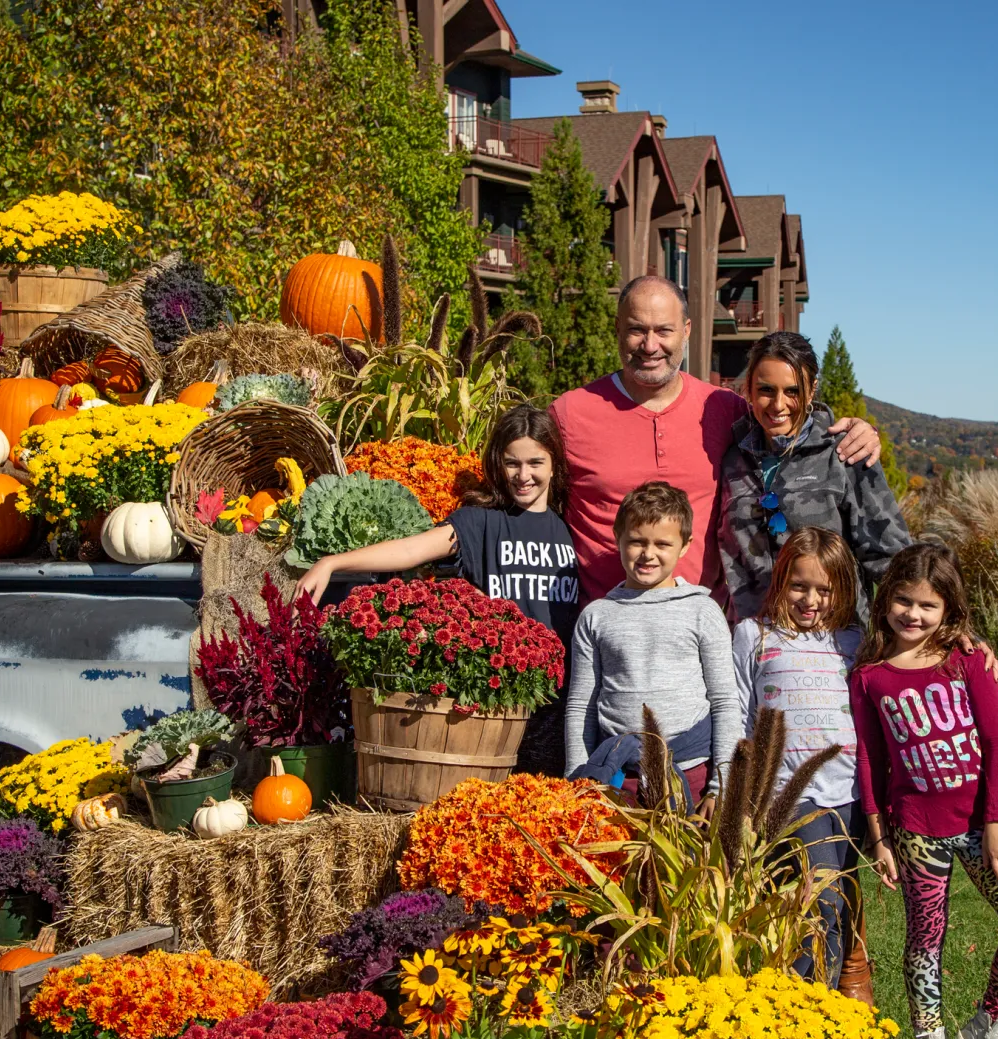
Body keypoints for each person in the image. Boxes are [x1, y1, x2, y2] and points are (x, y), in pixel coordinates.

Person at [550, 276, 883, 604]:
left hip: (705, 632)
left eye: (664, 330)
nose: (650, 346)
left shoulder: (726, 410)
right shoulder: (569, 414)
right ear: (618, 328)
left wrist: (852, 429)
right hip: (604, 630)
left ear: (687, 331)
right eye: (638, 329)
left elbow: (788, 420)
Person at [852, 544, 998, 1039]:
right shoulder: (870, 676)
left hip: (980, 827)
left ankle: (991, 1026)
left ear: (948, 610)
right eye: (903, 601)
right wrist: (879, 837)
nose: (913, 615)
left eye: (927, 606)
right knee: (925, 941)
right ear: (885, 598)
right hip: (914, 830)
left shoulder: (967, 661)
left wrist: (997, 823)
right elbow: (869, 758)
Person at [297, 405, 580, 775]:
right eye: (512, 463)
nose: (523, 475)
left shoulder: (573, 527)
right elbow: (413, 549)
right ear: (498, 463)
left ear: (554, 463)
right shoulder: (480, 523)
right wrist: (332, 562)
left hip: (559, 704)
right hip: (498, 700)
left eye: (535, 463)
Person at [731, 527, 872, 1001]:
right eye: (799, 586)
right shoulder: (754, 635)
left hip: (847, 793)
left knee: (839, 907)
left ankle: (821, 1011)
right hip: (789, 792)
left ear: (842, 592)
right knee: (822, 896)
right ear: (780, 581)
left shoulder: (852, 641)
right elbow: (736, 710)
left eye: (824, 590)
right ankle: (790, 1000)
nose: (810, 600)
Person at [565, 481, 740, 808]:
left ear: (685, 545)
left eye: (662, 543)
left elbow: (726, 701)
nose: (648, 554)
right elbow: (581, 707)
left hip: (690, 775)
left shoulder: (702, 610)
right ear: (618, 538)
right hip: (619, 780)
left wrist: (721, 786)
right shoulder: (597, 616)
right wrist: (579, 776)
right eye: (636, 541)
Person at [719, 331, 912, 622]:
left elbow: (891, 557)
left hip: (834, 646)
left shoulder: (845, 453)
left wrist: (948, 627)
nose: (778, 404)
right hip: (754, 647)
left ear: (812, 391)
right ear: (749, 388)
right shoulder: (731, 458)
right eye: (766, 390)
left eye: (793, 391)